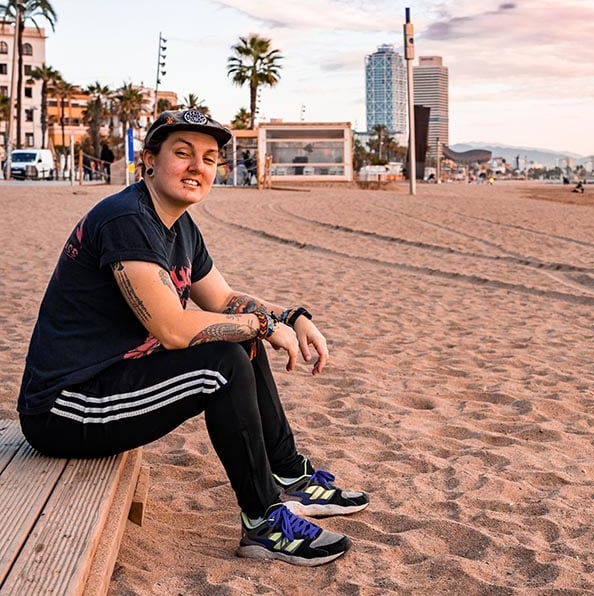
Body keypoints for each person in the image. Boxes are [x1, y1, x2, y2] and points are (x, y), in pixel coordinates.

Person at [17, 109, 367, 567]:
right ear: (148, 160)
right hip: (65, 409)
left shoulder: (179, 225)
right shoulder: (125, 219)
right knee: (220, 364)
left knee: (238, 340)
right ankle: (263, 523)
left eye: (208, 158)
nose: (197, 167)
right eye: (182, 153)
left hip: (114, 379)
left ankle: (287, 474)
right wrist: (264, 327)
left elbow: (222, 299)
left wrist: (290, 316)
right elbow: (172, 328)